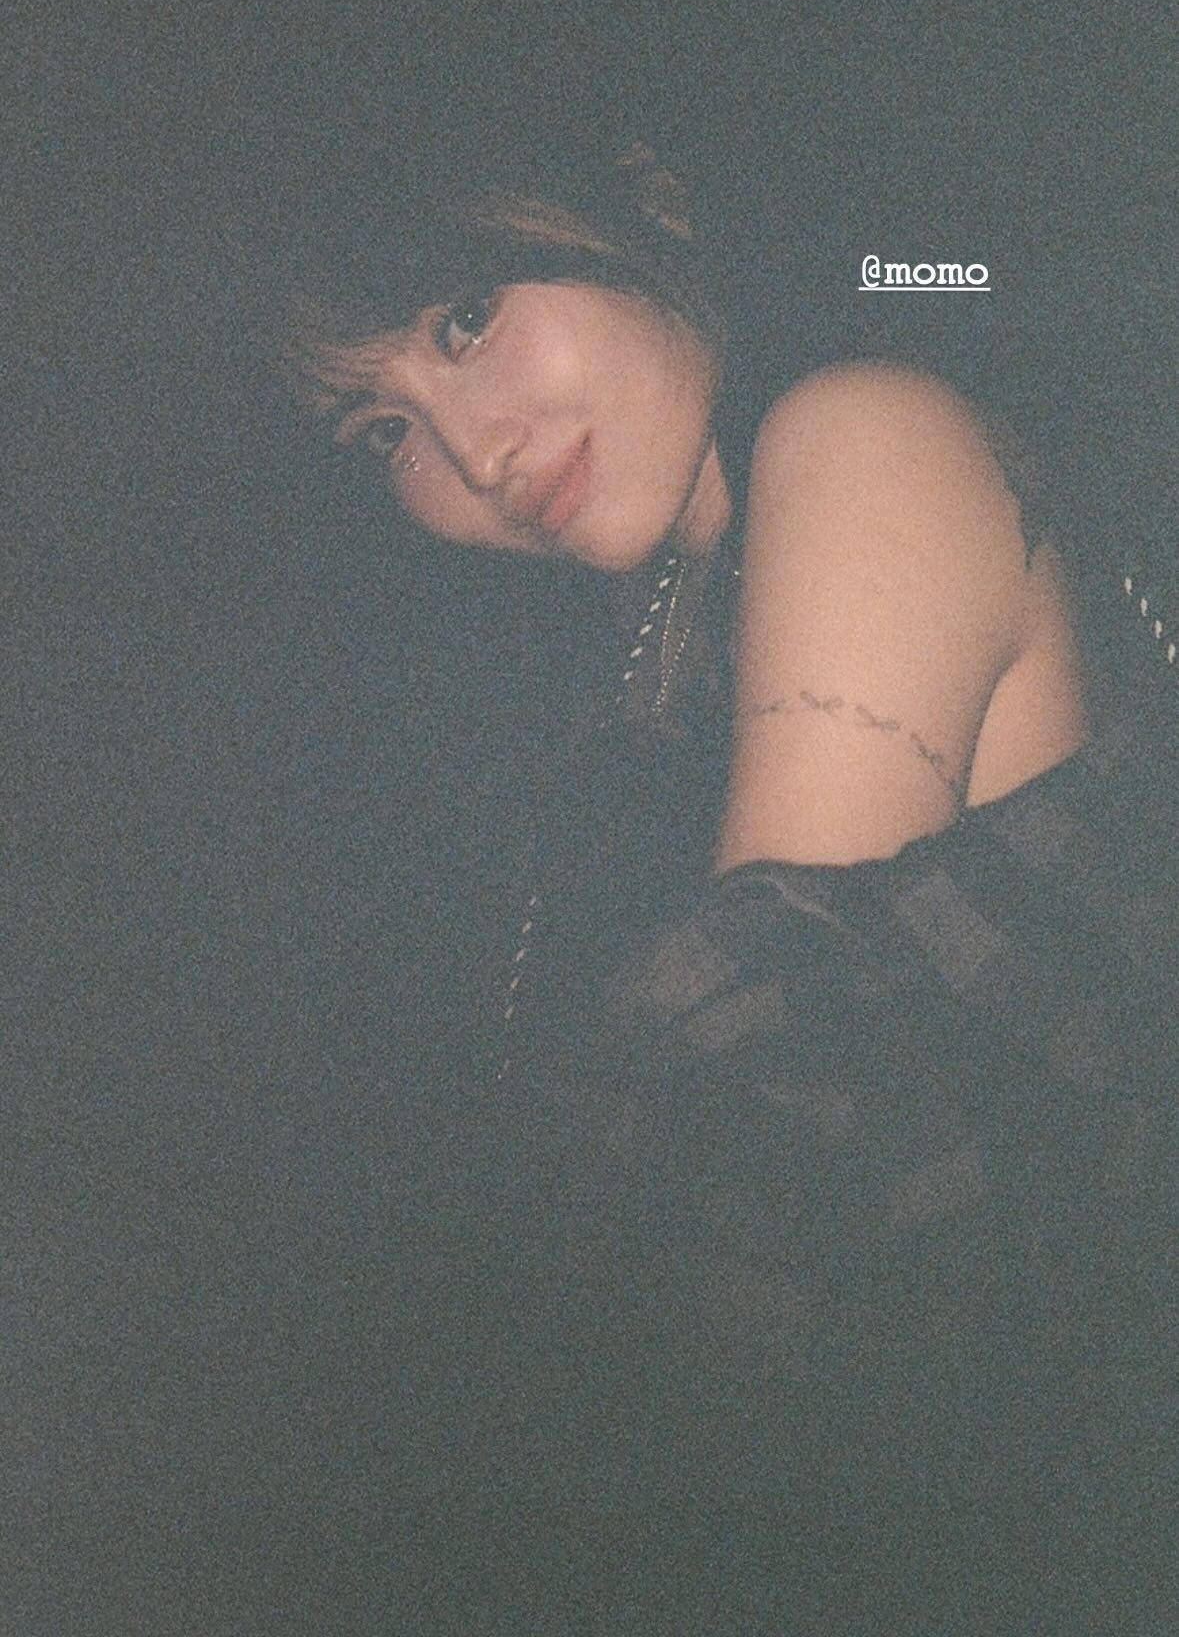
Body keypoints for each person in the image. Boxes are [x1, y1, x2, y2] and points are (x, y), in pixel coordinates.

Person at [283, 146, 1177, 1628]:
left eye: (464, 318)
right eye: (385, 429)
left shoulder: (856, 431)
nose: (477, 456)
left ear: (630, 208)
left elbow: (744, 1145)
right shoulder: (656, 663)